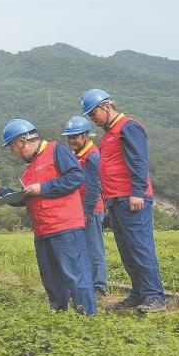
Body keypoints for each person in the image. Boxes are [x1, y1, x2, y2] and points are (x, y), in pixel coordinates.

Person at [0, 119, 96, 315]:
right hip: (42, 231)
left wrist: (43, 188)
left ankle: (87, 318)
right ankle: (59, 317)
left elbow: (75, 177)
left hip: (65, 227)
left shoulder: (56, 150)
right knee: (52, 281)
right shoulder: (28, 170)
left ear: (22, 142)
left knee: (76, 276)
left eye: (13, 148)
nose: (14, 153)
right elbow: (26, 198)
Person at [81, 89, 167, 313]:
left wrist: (137, 192)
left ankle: (155, 296)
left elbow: (139, 160)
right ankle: (138, 293)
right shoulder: (109, 134)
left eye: (93, 114)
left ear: (106, 106)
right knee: (127, 250)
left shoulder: (128, 126)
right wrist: (108, 203)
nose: (93, 119)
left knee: (140, 246)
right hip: (115, 200)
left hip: (132, 198)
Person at [62, 116, 109, 297]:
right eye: (69, 137)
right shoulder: (77, 155)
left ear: (86, 136)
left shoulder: (92, 156)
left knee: (94, 248)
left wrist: (87, 212)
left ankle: (99, 287)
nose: (71, 141)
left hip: (91, 210)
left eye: (75, 137)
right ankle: (86, 284)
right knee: (80, 249)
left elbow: (94, 186)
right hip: (78, 209)